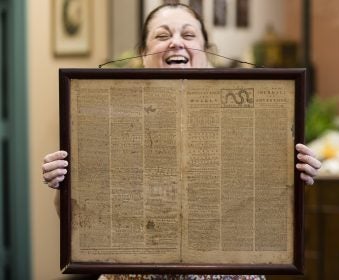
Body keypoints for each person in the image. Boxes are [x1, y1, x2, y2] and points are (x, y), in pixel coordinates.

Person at [42, 3, 321, 280]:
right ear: (143, 52)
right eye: (162, 36)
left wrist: (295, 176)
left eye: (188, 36)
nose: (176, 43)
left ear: (206, 49)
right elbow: (82, 219)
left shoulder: (249, 117)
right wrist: (62, 183)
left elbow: (269, 209)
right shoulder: (108, 117)